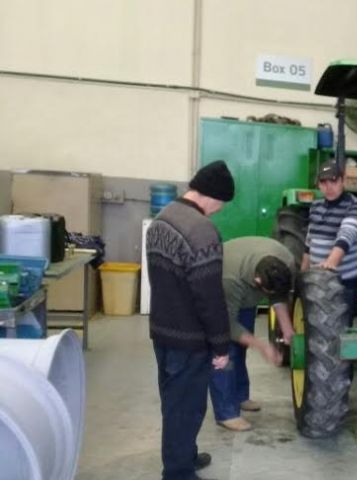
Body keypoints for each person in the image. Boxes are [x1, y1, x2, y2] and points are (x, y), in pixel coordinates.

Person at [146, 160, 234, 480]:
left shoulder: (161, 218)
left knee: (174, 400)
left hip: (163, 330)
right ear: (212, 196)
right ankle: (178, 472)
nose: (219, 210)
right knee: (186, 407)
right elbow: (209, 297)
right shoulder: (202, 230)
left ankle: (186, 454)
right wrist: (221, 346)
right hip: (189, 338)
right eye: (221, 204)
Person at [210, 236, 296, 432]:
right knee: (224, 353)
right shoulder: (229, 279)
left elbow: (279, 296)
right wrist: (262, 346)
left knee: (241, 346)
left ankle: (240, 396)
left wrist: (288, 329)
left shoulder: (286, 261)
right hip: (221, 297)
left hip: (246, 299)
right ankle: (226, 413)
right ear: (258, 281)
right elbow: (227, 325)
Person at [301, 159, 357, 323]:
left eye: (333, 181)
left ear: (343, 180)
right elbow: (309, 242)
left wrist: (331, 263)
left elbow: (346, 236)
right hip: (317, 280)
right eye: (323, 182)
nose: (328, 187)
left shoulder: (355, 206)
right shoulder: (316, 206)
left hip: (343, 282)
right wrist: (303, 274)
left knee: (340, 330)